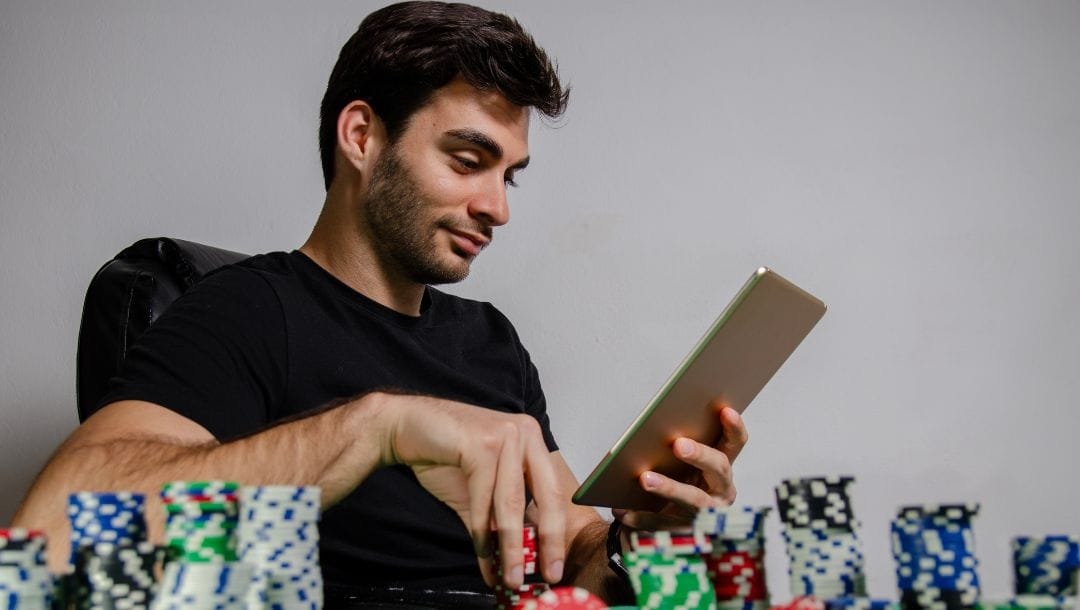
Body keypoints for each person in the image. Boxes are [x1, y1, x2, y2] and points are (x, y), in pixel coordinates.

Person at [12, 2, 748, 607]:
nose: (496, 207)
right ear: (362, 136)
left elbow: (572, 560)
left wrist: (634, 541)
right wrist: (379, 426)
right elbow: (51, 534)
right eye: (467, 160)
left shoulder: (491, 341)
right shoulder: (248, 310)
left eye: (510, 177)